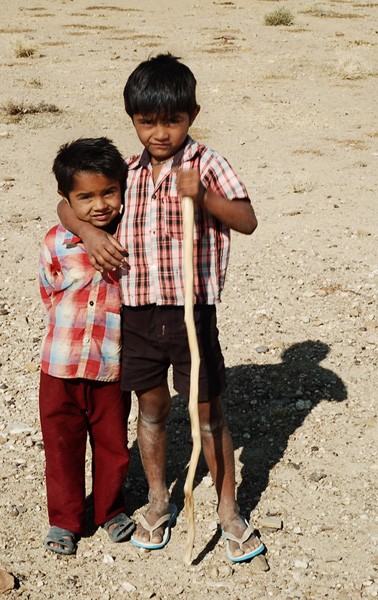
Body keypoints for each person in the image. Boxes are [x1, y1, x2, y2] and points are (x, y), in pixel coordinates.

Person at [58, 54, 264, 562]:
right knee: (150, 409)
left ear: (191, 114)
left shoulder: (207, 164)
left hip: (193, 313)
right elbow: (67, 203)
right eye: (146, 122)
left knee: (207, 412)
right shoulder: (124, 173)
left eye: (171, 120)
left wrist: (208, 199)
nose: (160, 132)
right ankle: (157, 500)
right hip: (140, 314)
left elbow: (247, 219)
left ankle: (229, 511)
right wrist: (86, 230)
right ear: (132, 119)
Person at [39, 137, 135, 556]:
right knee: (61, 447)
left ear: (122, 188)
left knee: (113, 444)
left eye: (108, 192)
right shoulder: (56, 242)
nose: (99, 205)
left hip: (111, 366)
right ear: (67, 199)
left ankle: (110, 509)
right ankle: (64, 520)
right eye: (85, 197)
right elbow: (49, 290)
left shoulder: (130, 237)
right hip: (59, 365)